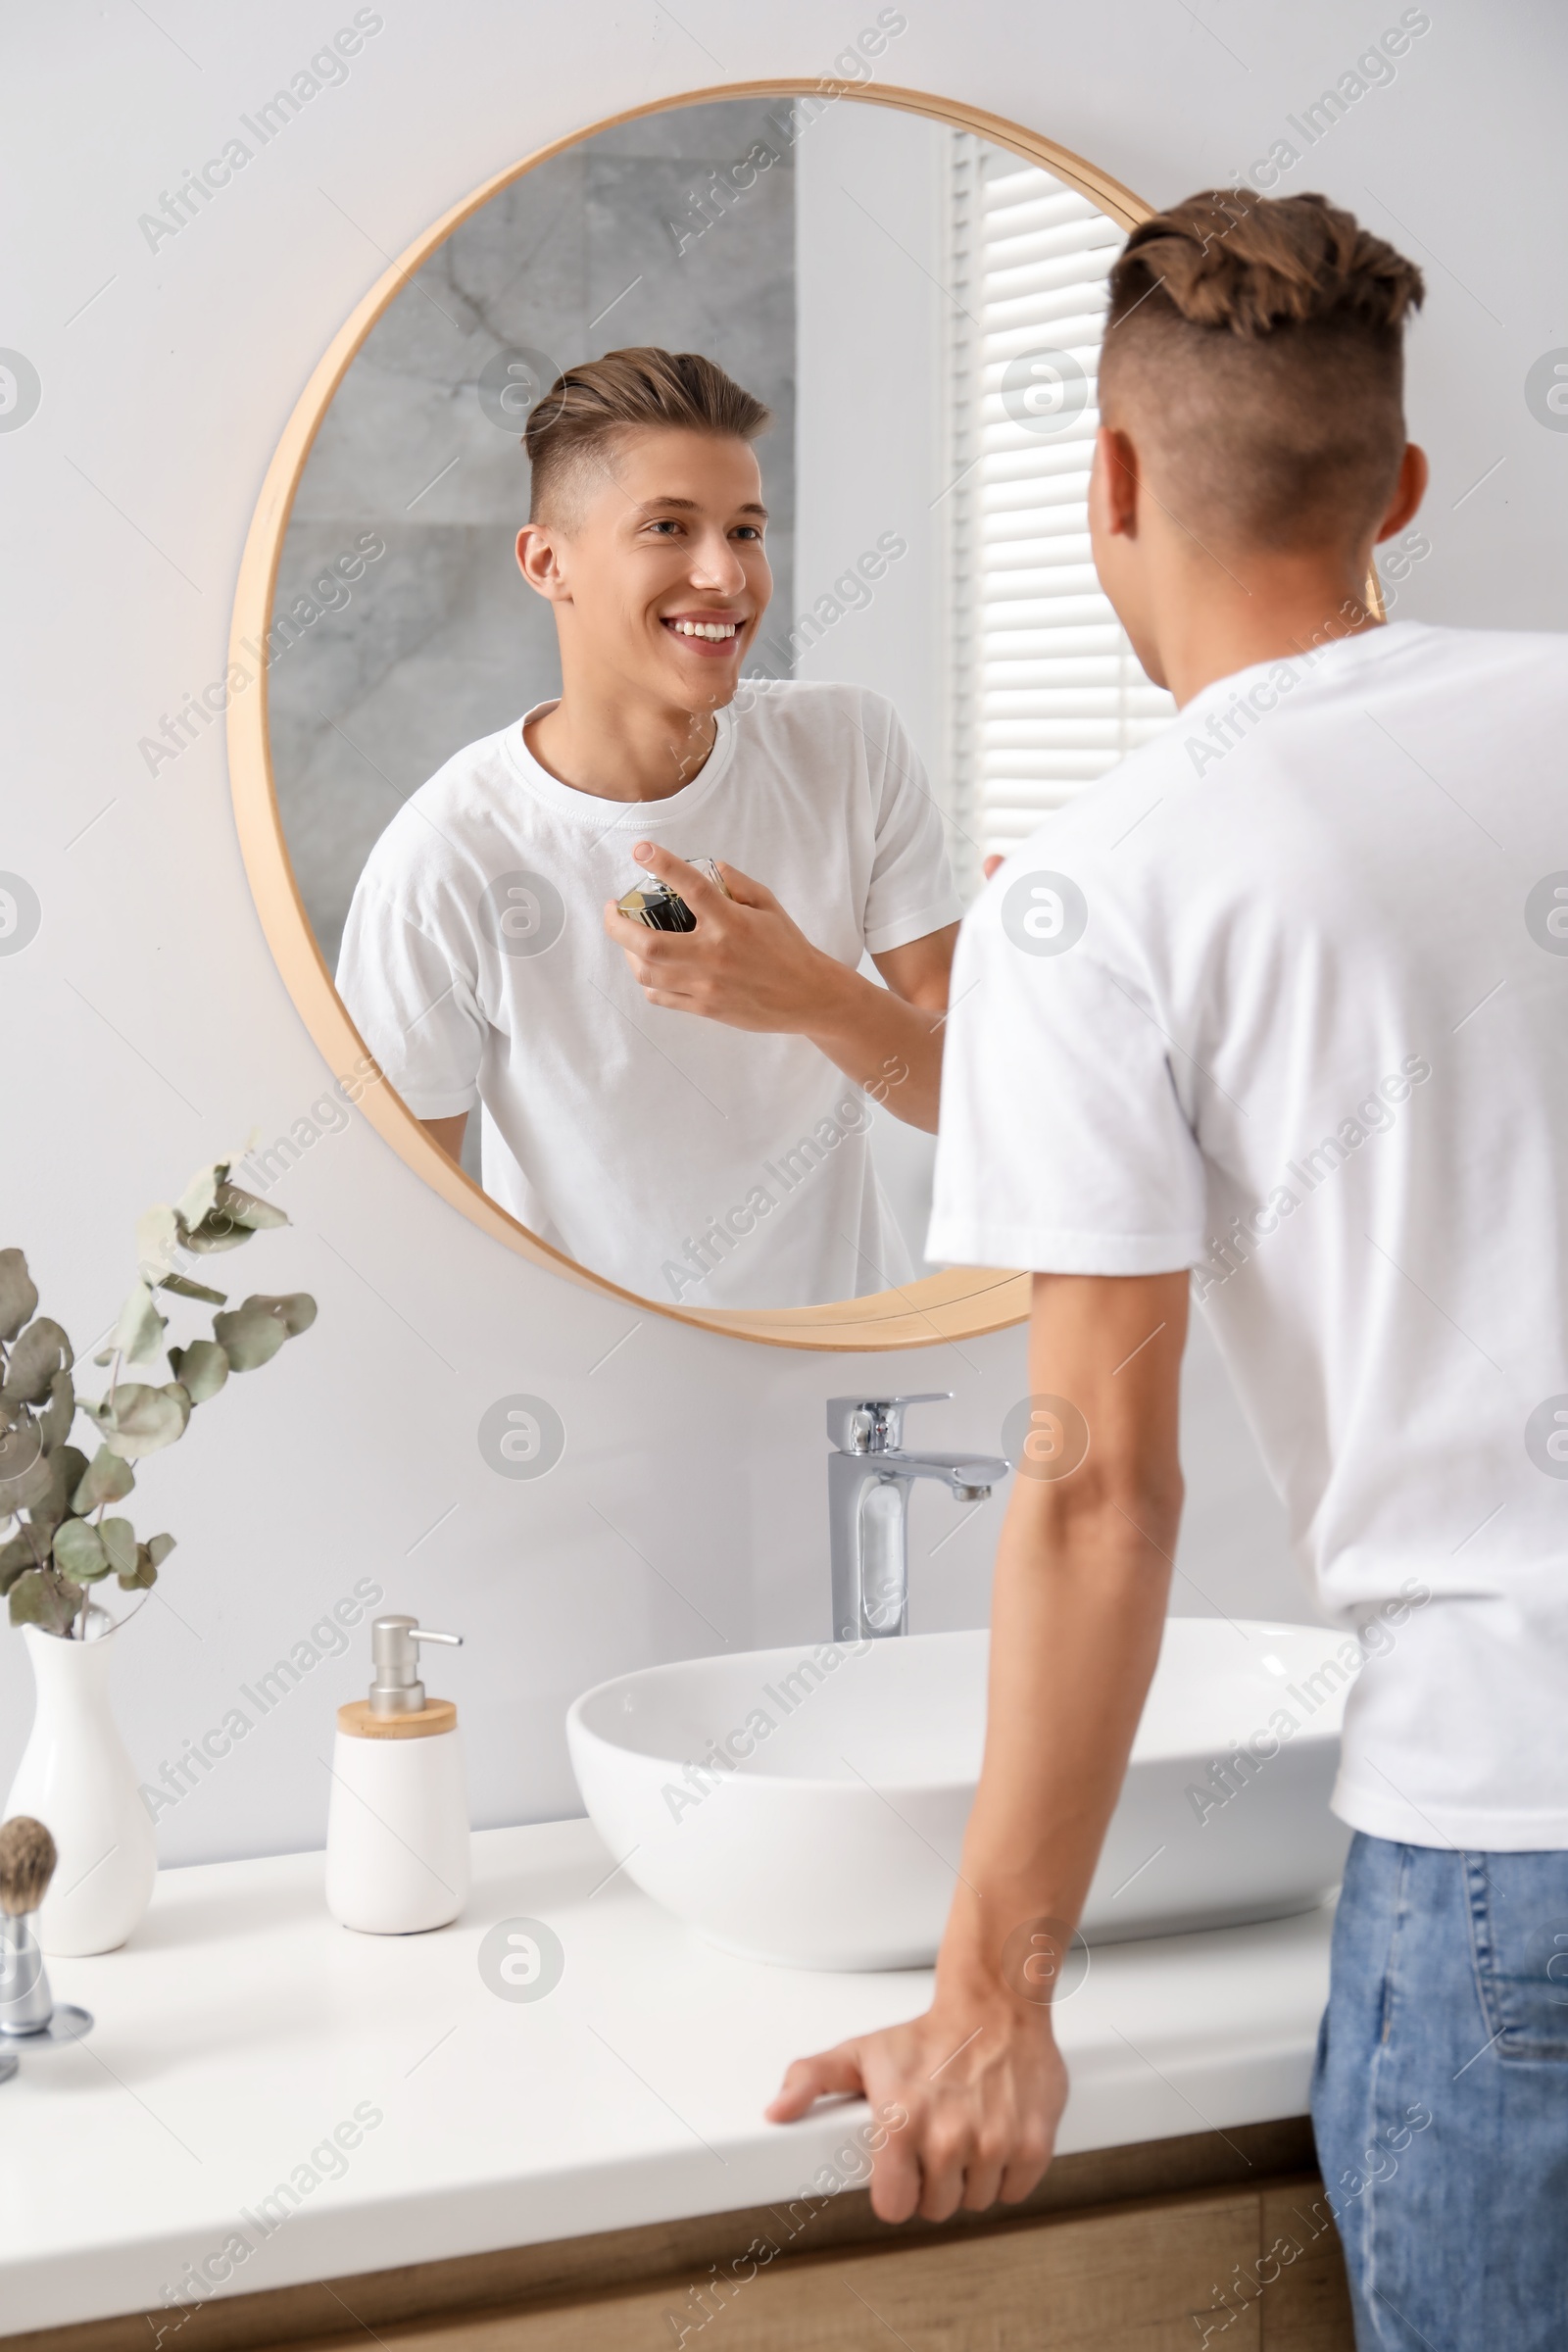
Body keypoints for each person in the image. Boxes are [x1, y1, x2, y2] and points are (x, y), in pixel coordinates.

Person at [768, 189, 1568, 2349]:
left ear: (1103, 480)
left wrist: (985, 1999)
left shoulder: (1106, 890)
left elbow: (1095, 1485)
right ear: (1396, 488)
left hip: (1512, 1836)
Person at [335, 348, 959, 1309]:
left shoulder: (850, 749)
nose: (725, 575)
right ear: (549, 563)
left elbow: (978, 1101)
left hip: (843, 1387)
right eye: (668, 527)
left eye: (745, 530)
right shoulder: (446, 860)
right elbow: (407, 1248)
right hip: (601, 1413)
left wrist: (810, 996)